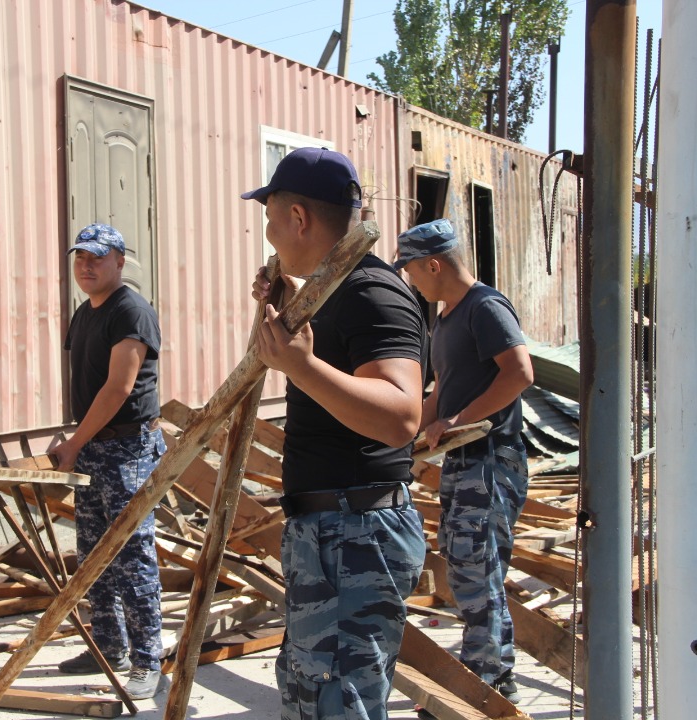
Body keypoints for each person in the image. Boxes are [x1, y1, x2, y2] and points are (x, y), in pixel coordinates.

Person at [245, 147, 427, 720]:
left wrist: (302, 367)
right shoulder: (331, 290)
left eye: (271, 219)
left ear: (298, 217)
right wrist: (284, 312)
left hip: (355, 534)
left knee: (338, 704)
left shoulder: (372, 291)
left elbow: (401, 417)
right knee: (312, 698)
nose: (269, 235)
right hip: (331, 534)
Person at [395, 218, 533, 708]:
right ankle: (491, 673)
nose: (411, 280)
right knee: (465, 567)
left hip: (490, 460)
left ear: (434, 265)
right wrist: (403, 435)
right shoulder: (447, 318)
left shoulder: (485, 307)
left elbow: (519, 373)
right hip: (462, 459)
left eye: (412, 270)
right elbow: (440, 391)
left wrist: (456, 419)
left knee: (478, 570)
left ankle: (487, 682)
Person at [51, 223, 166, 700]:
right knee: (94, 553)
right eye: (80, 257)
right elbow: (85, 381)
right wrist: (74, 437)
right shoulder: (84, 313)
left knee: (131, 554)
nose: (87, 266)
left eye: (97, 258)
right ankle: (108, 646)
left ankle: (147, 660)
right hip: (94, 446)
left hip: (127, 449)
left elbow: (119, 388)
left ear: (120, 261)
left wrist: (74, 443)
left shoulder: (130, 311)